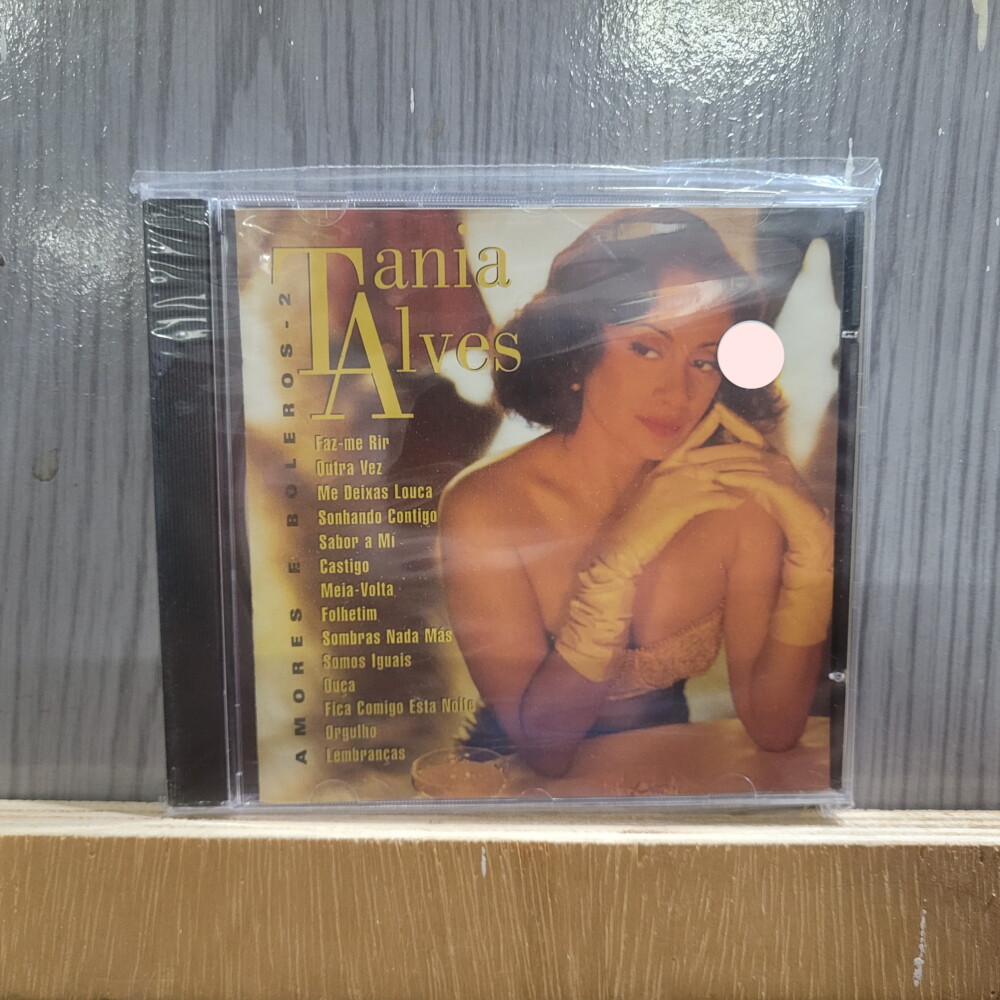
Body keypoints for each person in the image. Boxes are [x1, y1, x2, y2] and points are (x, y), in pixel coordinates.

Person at [438, 209, 833, 778]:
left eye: (704, 360)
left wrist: (814, 557)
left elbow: (774, 729)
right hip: (515, 783)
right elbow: (547, 754)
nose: (677, 390)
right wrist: (618, 558)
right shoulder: (485, 506)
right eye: (646, 348)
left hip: (663, 777)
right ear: (575, 349)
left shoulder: (739, 502)